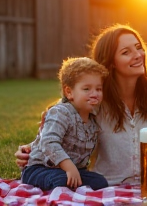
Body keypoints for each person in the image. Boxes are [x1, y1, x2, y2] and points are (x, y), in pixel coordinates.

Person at [16, 24, 147, 186]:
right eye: (126, 52)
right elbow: (64, 120)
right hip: (111, 183)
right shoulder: (95, 99)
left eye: (138, 48)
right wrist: (30, 148)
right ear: (111, 63)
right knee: (63, 181)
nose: (138, 55)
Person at [21, 57, 109, 191]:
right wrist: (69, 166)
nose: (95, 94)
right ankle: (66, 190)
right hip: (40, 168)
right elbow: (48, 142)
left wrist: (73, 169)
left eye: (98, 89)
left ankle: (73, 187)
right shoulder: (61, 112)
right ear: (69, 92)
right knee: (60, 179)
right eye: (86, 89)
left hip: (73, 170)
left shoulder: (93, 120)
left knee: (100, 181)